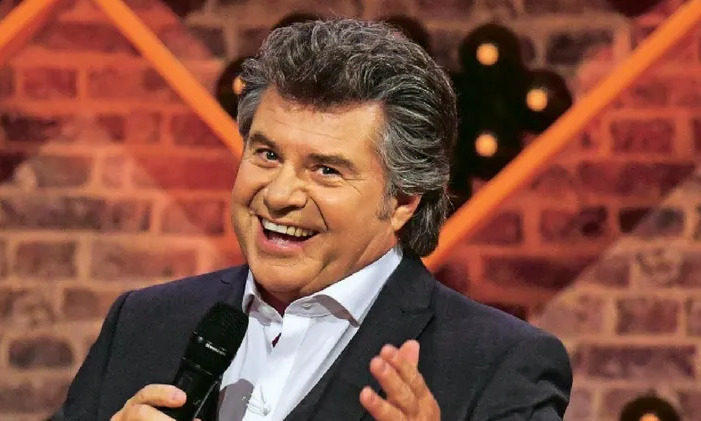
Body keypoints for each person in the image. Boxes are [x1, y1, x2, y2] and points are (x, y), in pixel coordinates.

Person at [54, 18, 572, 421]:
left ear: (402, 201)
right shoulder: (143, 323)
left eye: (326, 170)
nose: (279, 196)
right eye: (267, 155)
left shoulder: (500, 365)